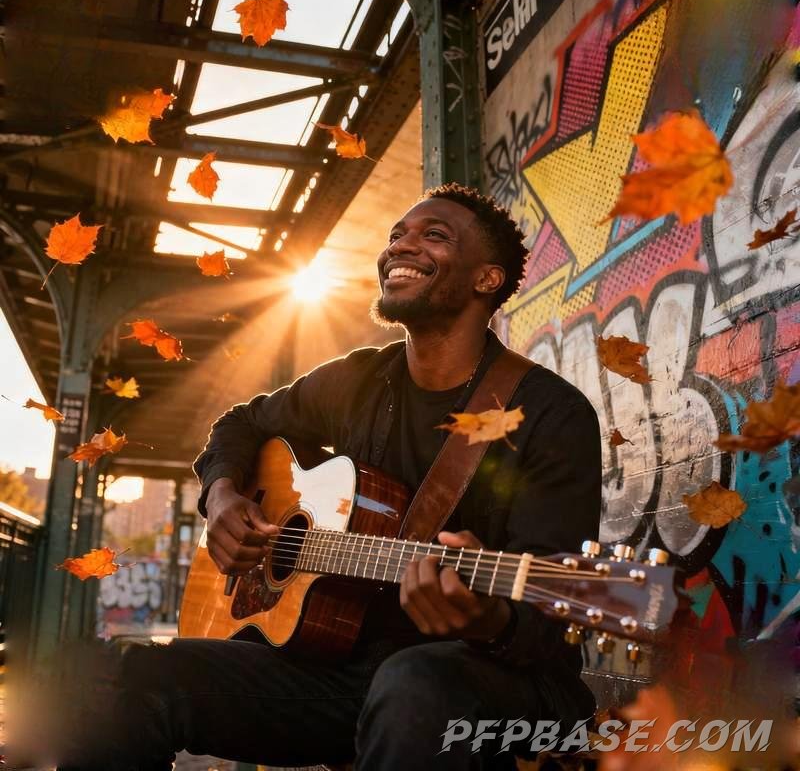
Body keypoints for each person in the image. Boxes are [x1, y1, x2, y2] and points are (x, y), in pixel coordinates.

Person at [50, 183, 602, 770]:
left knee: (414, 683)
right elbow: (240, 425)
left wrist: (486, 618)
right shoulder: (357, 379)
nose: (401, 247)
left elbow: (555, 618)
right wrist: (223, 498)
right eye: (397, 236)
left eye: (433, 236)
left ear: (486, 280)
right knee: (120, 677)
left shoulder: (549, 414)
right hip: (339, 673)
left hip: (495, 688)